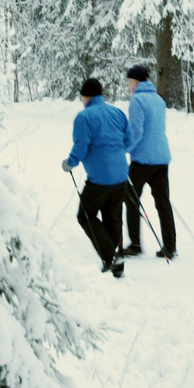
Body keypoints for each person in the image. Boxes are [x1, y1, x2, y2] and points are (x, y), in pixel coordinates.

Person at [62, 78, 130, 278]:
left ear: (86, 96)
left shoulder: (84, 117)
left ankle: (112, 255)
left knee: (85, 215)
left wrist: (70, 163)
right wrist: (116, 152)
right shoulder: (117, 112)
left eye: (82, 97)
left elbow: (81, 146)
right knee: (113, 217)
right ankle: (116, 264)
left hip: (100, 177)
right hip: (121, 174)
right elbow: (129, 140)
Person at [123, 64, 177, 260]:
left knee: (130, 198)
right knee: (163, 201)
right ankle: (170, 246)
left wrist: (124, 148)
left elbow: (136, 131)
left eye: (129, 81)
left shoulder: (137, 100)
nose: (128, 85)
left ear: (136, 82)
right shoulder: (158, 99)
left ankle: (135, 244)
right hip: (162, 158)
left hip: (143, 159)